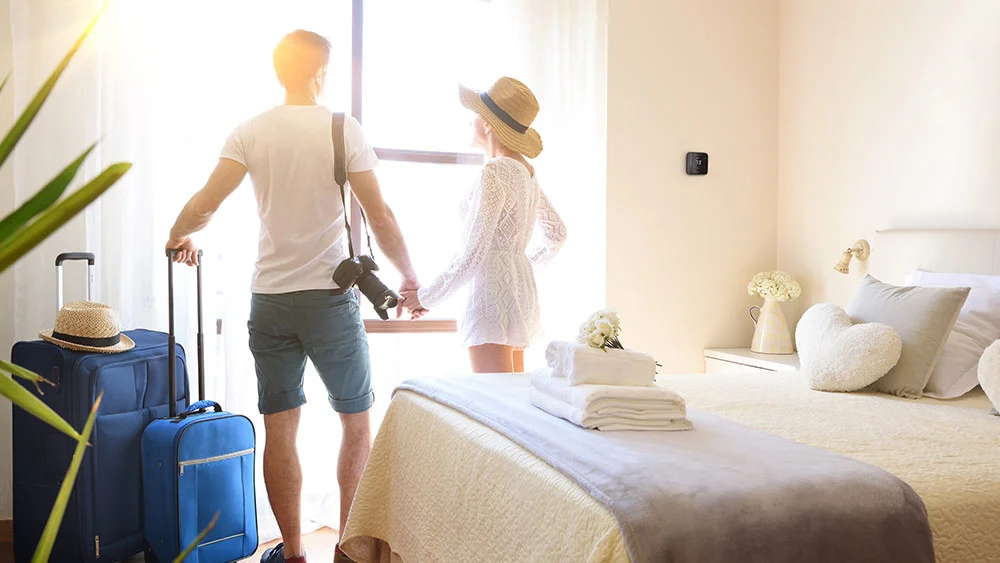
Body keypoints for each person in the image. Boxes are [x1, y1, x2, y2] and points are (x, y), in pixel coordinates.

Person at [165, 29, 420, 563]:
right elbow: (381, 214)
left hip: (271, 300)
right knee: (356, 423)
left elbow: (207, 202)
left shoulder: (250, 131)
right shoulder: (341, 129)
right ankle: (348, 552)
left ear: (279, 71)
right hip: (329, 299)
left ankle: (295, 552)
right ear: (320, 73)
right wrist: (410, 278)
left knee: (280, 426)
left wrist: (178, 234)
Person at [400, 77, 566, 373]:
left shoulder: (495, 172)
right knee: (510, 403)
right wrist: (519, 263)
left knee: (495, 404)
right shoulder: (526, 173)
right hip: (519, 294)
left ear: (489, 124)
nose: (471, 121)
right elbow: (556, 235)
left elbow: (474, 252)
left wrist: (425, 297)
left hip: (491, 298)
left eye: (476, 114)